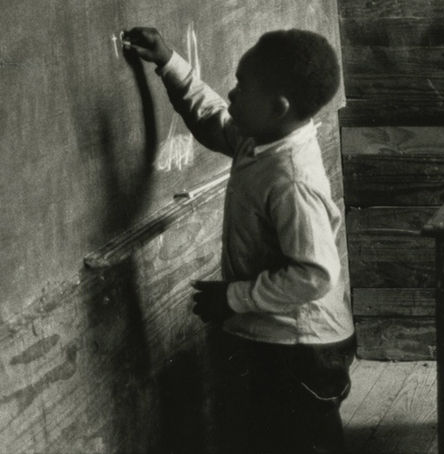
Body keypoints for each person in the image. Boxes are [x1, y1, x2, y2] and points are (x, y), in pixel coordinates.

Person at [122, 26, 355, 454]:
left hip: (302, 347)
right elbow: (213, 121)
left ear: (277, 106)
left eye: (242, 87)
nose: (231, 94)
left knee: (301, 442)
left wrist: (234, 298)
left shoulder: (291, 179)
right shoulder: (262, 137)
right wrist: (169, 62)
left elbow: (315, 273)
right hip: (279, 335)